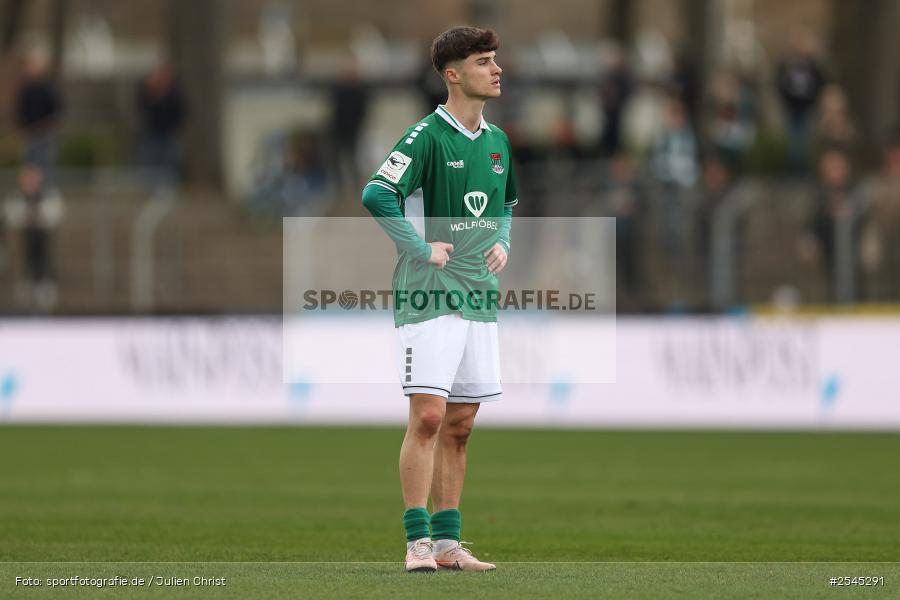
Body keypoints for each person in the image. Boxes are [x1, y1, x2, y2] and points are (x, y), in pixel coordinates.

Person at [361, 26, 515, 573]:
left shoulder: (497, 143)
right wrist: (419, 247)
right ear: (453, 74)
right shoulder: (426, 136)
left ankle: (449, 544)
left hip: (479, 295)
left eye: (495, 60)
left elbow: (508, 203)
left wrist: (502, 241)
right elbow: (377, 193)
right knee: (428, 416)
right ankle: (417, 540)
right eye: (483, 62)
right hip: (428, 294)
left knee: (461, 423)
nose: (496, 70)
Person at [3, 165, 64, 311]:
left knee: (45, 294)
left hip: (45, 259)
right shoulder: (16, 198)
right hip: (22, 262)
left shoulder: (49, 196)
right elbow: (13, 216)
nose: (30, 183)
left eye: (33, 179)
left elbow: (53, 215)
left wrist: (36, 217)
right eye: (27, 180)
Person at [136, 61, 186, 193]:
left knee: (170, 164)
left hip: (169, 135)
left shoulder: (174, 94)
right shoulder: (148, 92)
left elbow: (181, 114)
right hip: (152, 134)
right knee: (150, 163)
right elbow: (141, 109)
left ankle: (170, 190)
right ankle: (150, 189)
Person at [14, 51, 63, 180]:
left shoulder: (48, 88)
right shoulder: (26, 89)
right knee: (29, 165)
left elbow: (55, 110)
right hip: (29, 134)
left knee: (44, 165)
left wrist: (45, 127)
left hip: (45, 135)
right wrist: (23, 127)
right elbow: (19, 109)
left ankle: (46, 191)